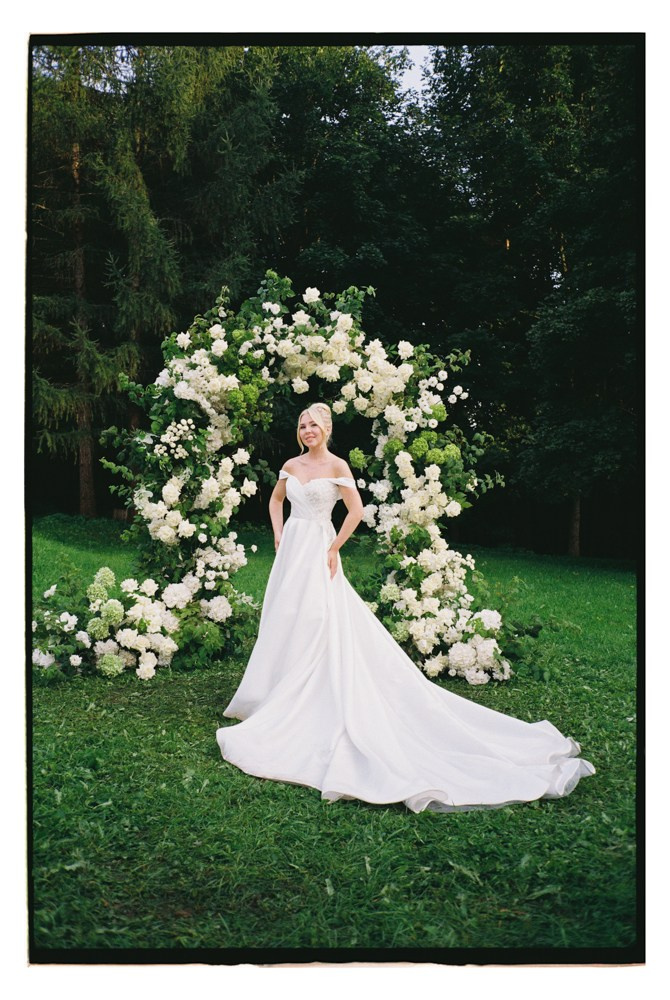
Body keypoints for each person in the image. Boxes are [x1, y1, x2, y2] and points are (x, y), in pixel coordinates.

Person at [216, 402, 595, 813]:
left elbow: (357, 511)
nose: (307, 430)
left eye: (314, 425)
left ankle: (309, 698)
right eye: (302, 424)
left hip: (319, 550)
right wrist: (278, 534)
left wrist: (333, 547)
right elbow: (275, 502)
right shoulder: (290, 464)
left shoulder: (337, 465)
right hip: (292, 549)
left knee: (318, 620)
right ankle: (273, 692)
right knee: (285, 618)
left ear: (327, 428)